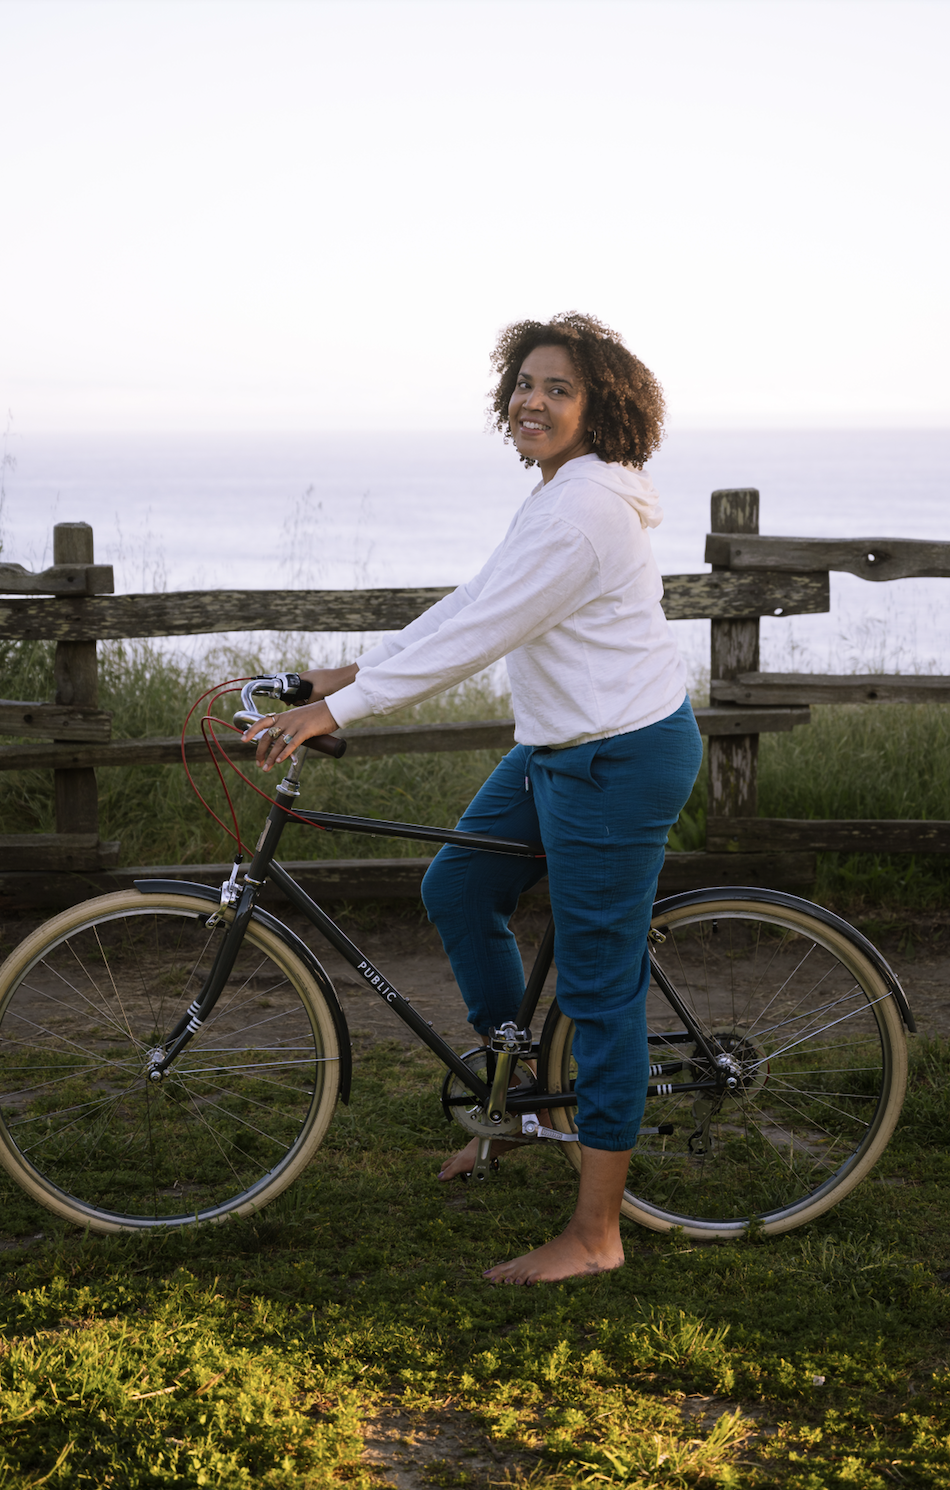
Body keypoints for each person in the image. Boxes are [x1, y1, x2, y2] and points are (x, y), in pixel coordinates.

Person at [245, 312, 703, 1285]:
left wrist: (341, 710)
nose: (533, 401)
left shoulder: (584, 512)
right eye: (524, 384)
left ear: (599, 409)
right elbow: (469, 605)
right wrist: (336, 675)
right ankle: (523, 1099)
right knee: (457, 886)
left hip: (616, 759)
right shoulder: (557, 492)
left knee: (597, 988)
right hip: (557, 747)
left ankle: (596, 1234)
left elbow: (478, 638)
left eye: (558, 389)